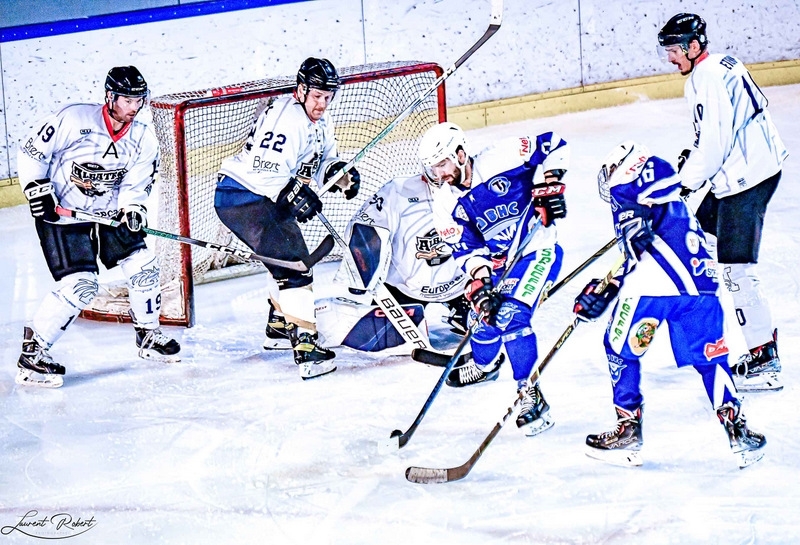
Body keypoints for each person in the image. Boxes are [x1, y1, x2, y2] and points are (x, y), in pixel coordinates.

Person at [574, 141, 766, 469]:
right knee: (711, 360)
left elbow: (638, 240)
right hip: (702, 289)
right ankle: (738, 431)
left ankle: (628, 432)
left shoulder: (624, 185)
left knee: (620, 349)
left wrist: (609, 288)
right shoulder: (670, 197)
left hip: (651, 290)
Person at [16, 66, 180, 388]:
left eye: (139, 100)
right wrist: (37, 189)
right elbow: (32, 152)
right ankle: (33, 353)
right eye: (128, 100)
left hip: (108, 214)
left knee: (144, 266)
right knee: (82, 287)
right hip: (64, 214)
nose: (134, 107)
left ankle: (148, 335)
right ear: (110, 97)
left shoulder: (142, 137)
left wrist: (133, 208)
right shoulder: (74, 120)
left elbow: (136, 183)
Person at [658, 13, 788, 392]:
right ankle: (706, 328)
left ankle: (764, 359)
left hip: (745, 182)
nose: (670, 58)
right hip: (749, 169)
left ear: (694, 46)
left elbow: (715, 146)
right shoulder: (722, 64)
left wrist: (683, 183)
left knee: (736, 271)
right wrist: (694, 160)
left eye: (675, 50)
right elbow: (718, 134)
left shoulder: (706, 77)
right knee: (700, 239)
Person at [214, 57, 360, 380]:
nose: (323, 102)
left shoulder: (322, 122)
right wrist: (293, 193)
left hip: (261, 196)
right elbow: (266, 171)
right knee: (295, 263)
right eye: (318, 95)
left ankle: (279, 324)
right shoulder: (286, 117)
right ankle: (307, 349)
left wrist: (339, 173)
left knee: (284, 255)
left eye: (328, 96)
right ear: (302, 89)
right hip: (243, 196)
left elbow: (322, 162)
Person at [423, 121, 570, 437]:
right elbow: (467, 249)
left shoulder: (504, 156)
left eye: (443, 164)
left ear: (461, 154)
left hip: (538, 249)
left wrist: (549, 185)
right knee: (481, 316)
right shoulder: (445, 203)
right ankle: (486, 366)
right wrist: (480, 283)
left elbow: (554, 143)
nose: (440, 174)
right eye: (434, 169)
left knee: (511, 316)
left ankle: (530, 393)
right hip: (498, 265)